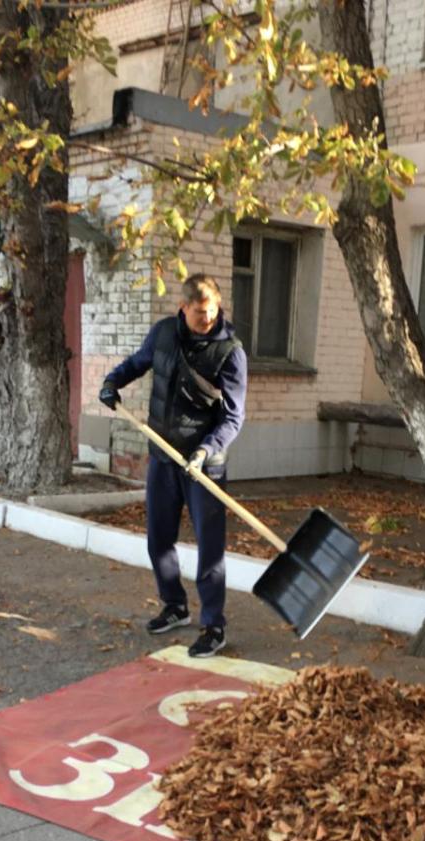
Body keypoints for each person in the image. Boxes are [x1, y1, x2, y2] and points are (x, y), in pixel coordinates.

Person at [99, 274, 248, 658]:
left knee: (210, 551)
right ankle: (175, 605)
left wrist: (207, 450)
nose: (207, 320)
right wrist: (113, 382)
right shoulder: (164, 334)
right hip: (164, 457)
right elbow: (138, 363)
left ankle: (213, 626)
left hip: (204, 465)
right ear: (183, 308)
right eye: (200, 314)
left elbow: (233, 418)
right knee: (158, 539)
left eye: (212, 312)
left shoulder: (230, 352)